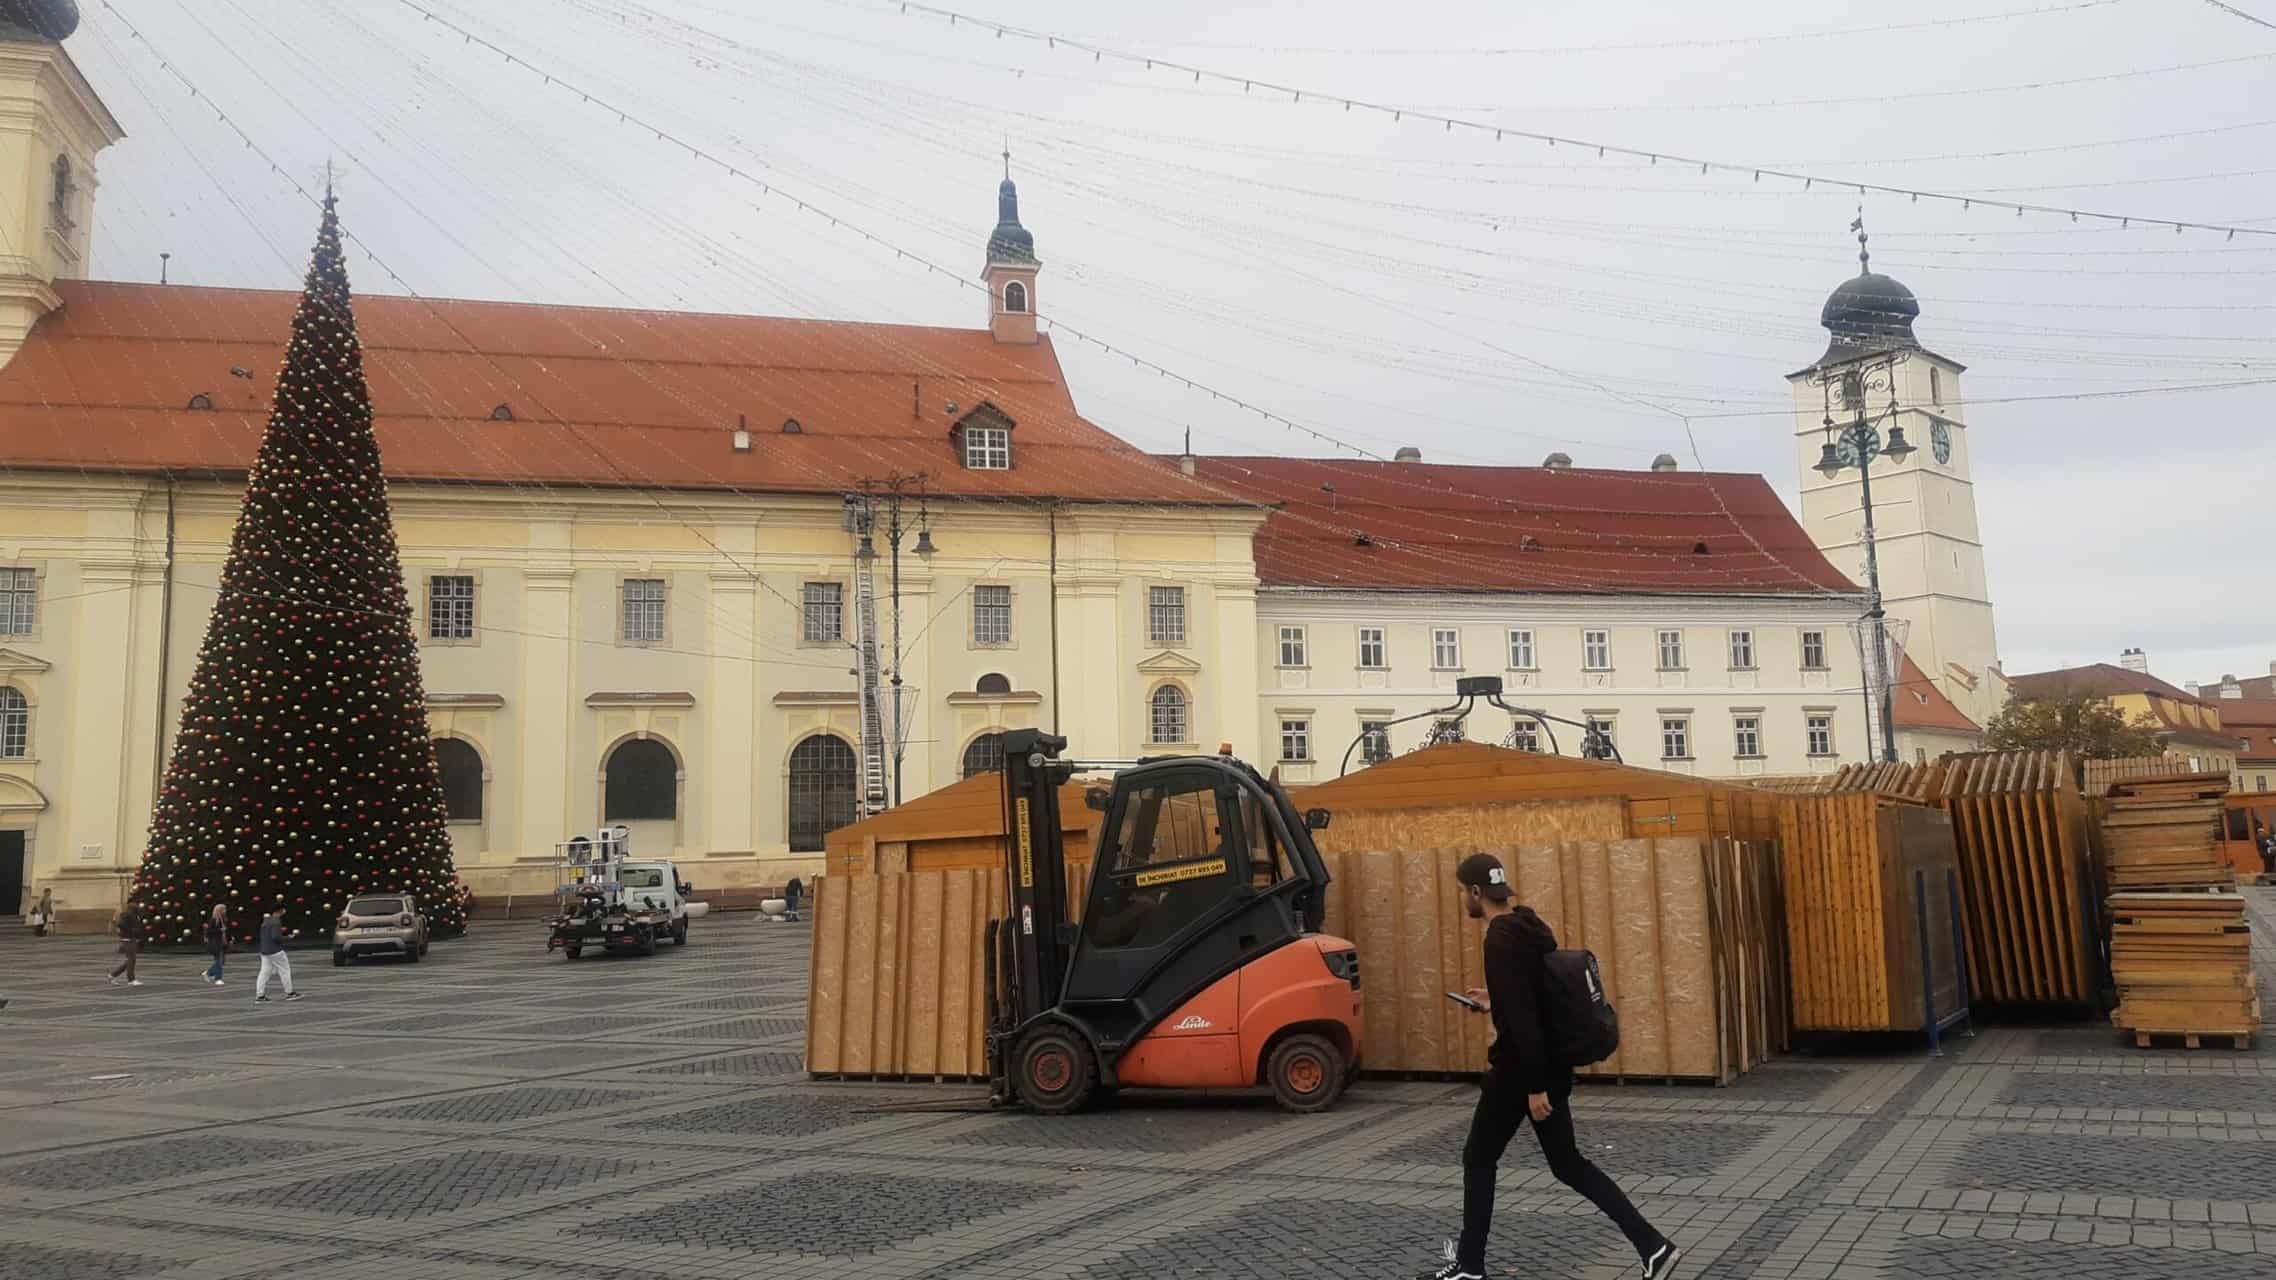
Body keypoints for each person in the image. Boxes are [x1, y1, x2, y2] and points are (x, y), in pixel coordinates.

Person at [1422, 853, 1680, 1280]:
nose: (1461, 901)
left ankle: (1469, 1267)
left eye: (1460, 893)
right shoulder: (1529, 925)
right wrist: (1495, 998)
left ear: (1473, 892)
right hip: (1550, 1064)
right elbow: (1535, 995)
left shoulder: (1499, 939)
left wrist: (1534, 1086)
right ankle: (1653, 1246)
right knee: (1567, 1164)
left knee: (1478, 1158)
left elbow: (1522, 1020)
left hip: (1520, 1073)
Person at [253, 905, 303, 1004]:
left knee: (264, 973)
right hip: (275, 951)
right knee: (284, 970)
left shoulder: (266, 921)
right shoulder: (276, 922)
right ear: (280, 911)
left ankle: (260, 995)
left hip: (265, 950)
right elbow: (276, 937)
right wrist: (288, 937)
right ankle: (290, 993)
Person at [107, 903, 144, 987]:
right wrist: (131, 931)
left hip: (131, 939)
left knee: (130, 960)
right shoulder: (128, 915)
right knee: (131, 959)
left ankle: (113, 975)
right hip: (128, 939)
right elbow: (121, 924)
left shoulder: (132, 915)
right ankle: (131, 980)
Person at [202, 903, 230, 986]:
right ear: (219, 911)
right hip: (215, 943)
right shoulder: (213, 920)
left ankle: (209, 973)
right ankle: (218, 978)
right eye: (223, 909)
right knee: (219, 960)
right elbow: (209, 932)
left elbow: (226, 931)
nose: (225, 911)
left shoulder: (224, 919)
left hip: (222, 943)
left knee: (221, 961)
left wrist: (230, 938)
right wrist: (220, 930)